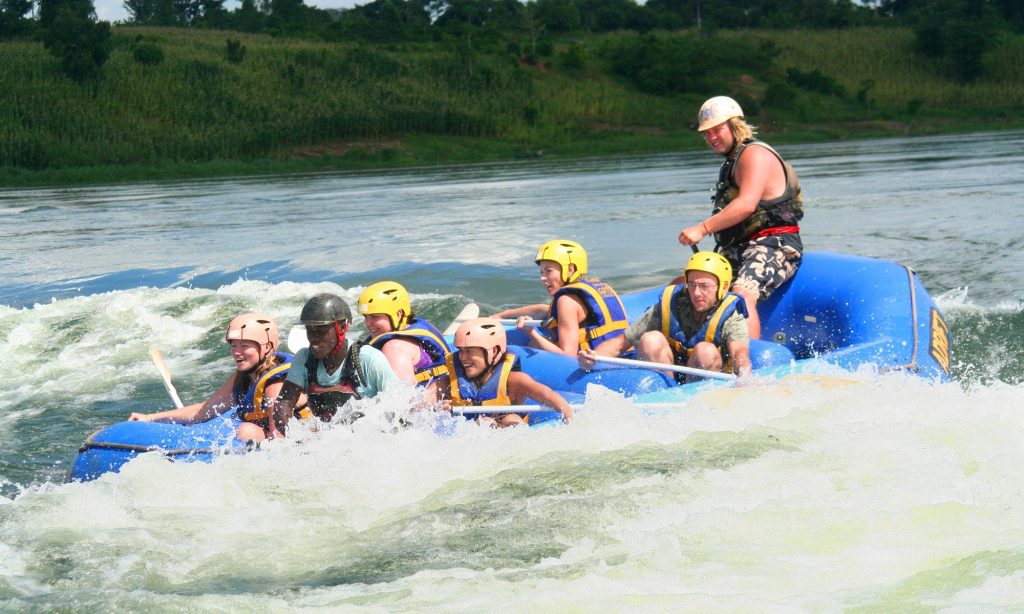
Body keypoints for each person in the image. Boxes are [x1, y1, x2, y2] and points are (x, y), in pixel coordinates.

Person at [678, 95, 804, 339]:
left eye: (717, 130)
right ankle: (688, 350)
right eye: (707, 133)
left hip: (775, 244)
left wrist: (702, 228)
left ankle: (751, 371)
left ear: (735, 126)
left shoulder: (754, 154)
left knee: (741, 295)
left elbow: (746, 205)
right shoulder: (733, 161)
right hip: (741, 247)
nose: (711, 138)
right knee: (686, 287)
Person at [579, 252, 752, 382]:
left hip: (702, 384)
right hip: (668, 381)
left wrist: (745, 379)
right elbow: (620, 343)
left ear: (723, 286)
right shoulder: (670, 305)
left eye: (704, 286)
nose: (696, 293)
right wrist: (591, 358)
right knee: (650, 339)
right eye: (692, 285)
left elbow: (739, 352)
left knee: (705, 350)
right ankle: (664, 388)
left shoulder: (732, 316)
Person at [129, 313, 299, 442]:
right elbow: (202, 411)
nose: (236, 352)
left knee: (247, 431)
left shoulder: (276, 386)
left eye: (245, 345)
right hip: (268, 433)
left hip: (300, 440)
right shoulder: (241, 378)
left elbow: (280, 439)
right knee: (246, 430)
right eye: (234, 345)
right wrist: (150, 418)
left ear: (267, 347)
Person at [270, 293, 400, 436]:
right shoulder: (303, 358)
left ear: (343, 328)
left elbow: (399, 410)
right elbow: (284, 404)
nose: (313, 338)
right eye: (310, 330)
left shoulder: (370, 359)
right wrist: (292, 438)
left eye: (321, 331)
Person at [492, 239, 629, 357]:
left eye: (549, 271)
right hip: (622, 354)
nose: (543, 278)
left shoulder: (566, 301)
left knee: (532, 344)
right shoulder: (598, 287)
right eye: (541, 271)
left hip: (594, 364)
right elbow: (544, 310)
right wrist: (502, 315)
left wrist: (532, 333)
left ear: (570, 270)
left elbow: (567, 357)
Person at [436, 317, 573, 427]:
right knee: (484, 423)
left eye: (470, 351)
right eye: (461, 351)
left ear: (494, 351)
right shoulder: (452, 380)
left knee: (510, 419)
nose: (463, 358)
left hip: (510, 430)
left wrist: (568, 415)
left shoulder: (514, 380)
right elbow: (423, 400)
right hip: (474, 433)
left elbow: (545, 394)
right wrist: (439, 408)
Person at [357, 281, 452, 391]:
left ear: (399, 314)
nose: (368, 323)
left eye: (375, 316)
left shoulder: (394, 348)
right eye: (366, 317)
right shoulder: (417, 326)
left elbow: (400, 403)